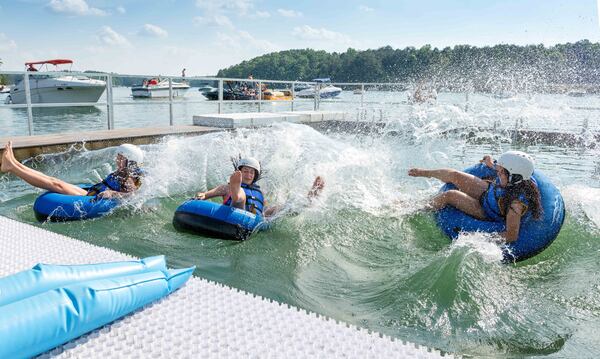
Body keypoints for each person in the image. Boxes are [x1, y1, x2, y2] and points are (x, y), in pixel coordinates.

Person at [408, 151, 543, 242]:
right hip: (489, 192)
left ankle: (417, 208)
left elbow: (511, 235)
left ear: (514, 177)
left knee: (451, 195)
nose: (498, 172)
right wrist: (489, 161)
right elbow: (496, 167)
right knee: (454, 175)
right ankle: (425, 172)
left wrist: (480, 238)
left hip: (486, 211)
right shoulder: (514, 177)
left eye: (502, 172)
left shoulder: (516, 204)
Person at [1, 142, 144, 199]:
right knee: (53, 180)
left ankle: (13, 167)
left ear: (128, 160)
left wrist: (112, 193)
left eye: (119, 158)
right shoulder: (124, 172)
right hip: (92, 192)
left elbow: (132, 196)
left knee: (55, 184)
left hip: (90, 198)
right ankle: (13, 163)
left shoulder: (130, 177)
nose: (116, 160)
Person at [194, 157, 324, 217]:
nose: (249, 174)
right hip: (234, 212)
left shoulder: (259, 191)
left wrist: (272, 211)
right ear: (239, 171)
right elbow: (207, 195)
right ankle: (237, 191)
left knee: (282, 208)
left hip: (255, 218)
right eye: (245, 171)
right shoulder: (225, 187)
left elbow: (263, 208)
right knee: (240, 197)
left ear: (255, 175)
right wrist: (203, 195)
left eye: (252, 172)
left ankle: (309, 198)